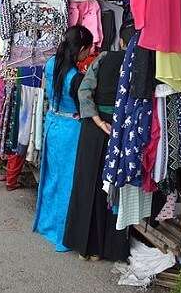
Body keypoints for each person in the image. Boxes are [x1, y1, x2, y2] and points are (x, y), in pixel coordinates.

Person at [62, 24, 135, 262]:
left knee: (88, 185)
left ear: (121, 42)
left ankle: (85, 246)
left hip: (95, 130)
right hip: (122, 132)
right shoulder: (140, 64)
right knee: (114, 189)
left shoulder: (104, 58)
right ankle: (110, 248)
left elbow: (85, 91)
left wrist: (96, 119)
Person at [33, 25, 93, 252]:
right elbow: (84, 108)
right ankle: (64, 233)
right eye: (88, 49)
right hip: (70, 131)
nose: (89, 54)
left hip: (53, 124)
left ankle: (47, 224)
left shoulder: (50, 65)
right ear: (82, 49)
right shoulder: (75, 78)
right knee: (69, 182)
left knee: (52, 178)